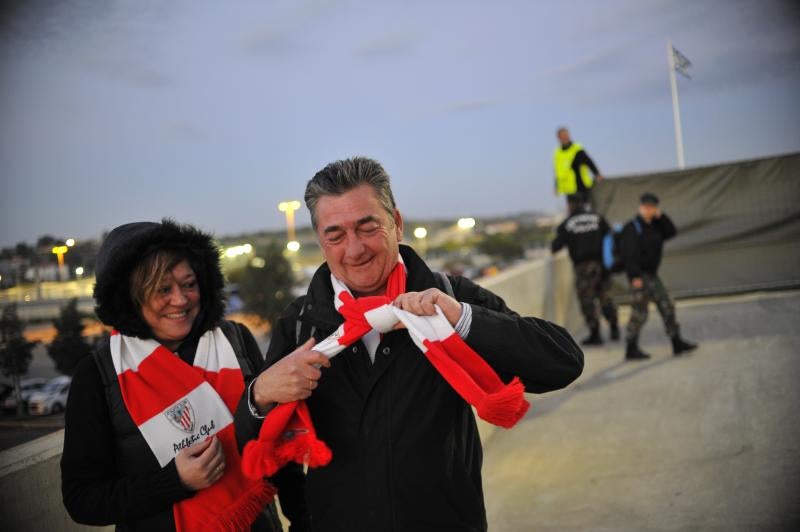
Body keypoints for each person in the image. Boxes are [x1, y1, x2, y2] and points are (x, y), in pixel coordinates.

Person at [241, 157, 584, 531]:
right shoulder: (299, 323)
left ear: (397, 223)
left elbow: (562, 362)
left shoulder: (449, 300)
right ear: (321, 242)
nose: (354, 249)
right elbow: (265, 450)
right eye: (336, 235)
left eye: (367, 227)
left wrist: (462, 320)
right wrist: (259, 394)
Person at [61, 220, 303, 531]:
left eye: (189, 284)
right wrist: (175, 482)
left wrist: (301, 519)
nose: (181, 300)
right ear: (127, 297)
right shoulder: (97, 375)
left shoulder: (236, 340)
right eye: (163, 289)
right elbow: (82, 500)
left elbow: (280, 444)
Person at [620, 193, 698, 360]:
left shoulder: (656, 226)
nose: (648, 210)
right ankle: (630, 348)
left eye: (652, 207)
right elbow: (628, 254)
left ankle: (677, 343)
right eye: (646, 206)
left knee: (667, 306)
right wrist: (635, 276)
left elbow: (671, 231)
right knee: (639, 313)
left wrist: (661, 216)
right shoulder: (632, 227)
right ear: (640, 207)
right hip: (639, 276)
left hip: (652, 276)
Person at [551, 194, 619, 345]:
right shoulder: (598, 218)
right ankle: (614, 329)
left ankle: (596, 335)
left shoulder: (567, 223)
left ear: (569, 205)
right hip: (602, 265)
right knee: (605, 297)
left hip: (583, 268)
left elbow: (555, 247)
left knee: (587, 300)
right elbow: (611, 237)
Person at [553, 127, 604, 207]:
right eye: (562, 136)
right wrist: (556, 186)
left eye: (566, 135)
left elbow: (589, 161)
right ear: (559, 138)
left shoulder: (577, 149)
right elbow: (557, 172)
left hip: (581, 186)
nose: (565, 137)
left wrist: (597, 174)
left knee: (585, 209)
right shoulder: (557, 153)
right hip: (568, 189)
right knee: (574, 212)